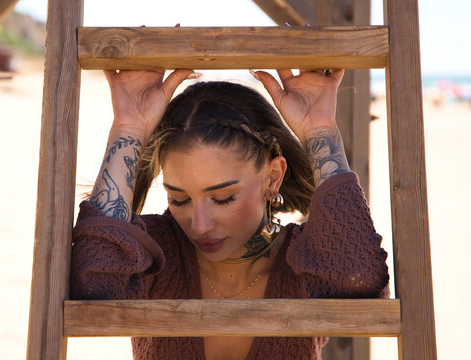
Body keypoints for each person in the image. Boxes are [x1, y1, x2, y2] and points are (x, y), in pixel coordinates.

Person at [70, 67, 390, 360]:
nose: (199, 225)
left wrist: (321, 132)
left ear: (272, 178)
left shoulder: (307, 260)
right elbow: (94, 285)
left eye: (222, 198)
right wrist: (129, 129)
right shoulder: (156, 253)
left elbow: (360, 282)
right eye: (178, 199)